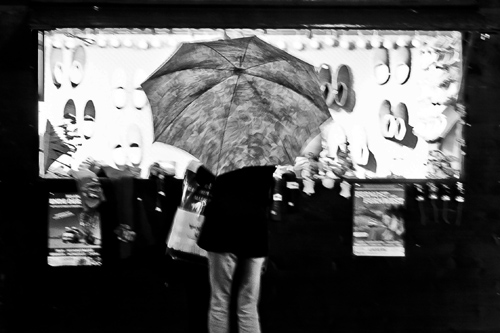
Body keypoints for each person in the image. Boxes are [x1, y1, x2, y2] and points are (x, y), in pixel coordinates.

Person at [186, 160, 276, 333]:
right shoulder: (266, 157)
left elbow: (202, 178)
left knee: (220, 301)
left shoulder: (221, 155)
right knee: (248, 305)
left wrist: (196, 165)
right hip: (254, 232)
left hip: (222, 230)